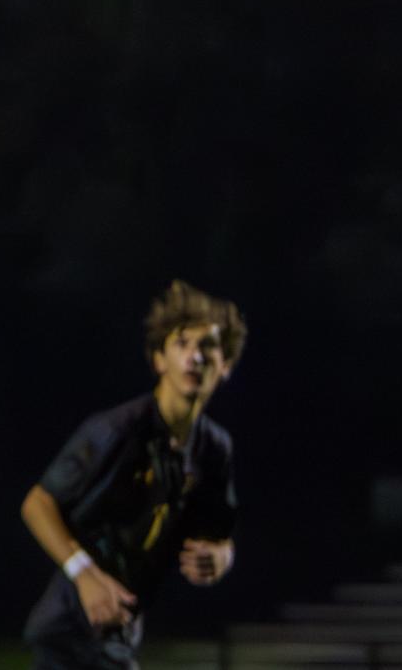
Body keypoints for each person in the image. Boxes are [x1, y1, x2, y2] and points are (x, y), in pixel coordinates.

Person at [19, 279, 246, 669]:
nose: (195, 357)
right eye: (182, 344)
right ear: (159, 360)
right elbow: (37, 504)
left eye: (207, 345)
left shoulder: (214, 449)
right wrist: (85, 575)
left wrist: (223, 556)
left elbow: (219, 535)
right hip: (72, 628)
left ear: (225, 365)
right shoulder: (116, 431)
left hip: (118, 628)